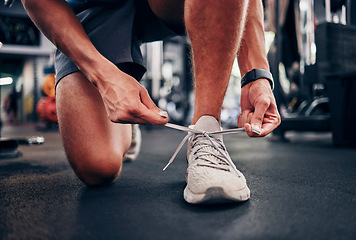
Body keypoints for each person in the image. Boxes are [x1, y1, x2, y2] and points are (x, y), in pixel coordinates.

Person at [21, 0, 281, 204]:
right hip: (94, 8)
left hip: (160, 5)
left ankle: (206, 132)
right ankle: (128, 117)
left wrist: (256, 74)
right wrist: (105, 78)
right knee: (98, 167)